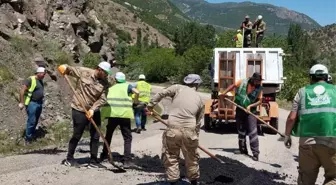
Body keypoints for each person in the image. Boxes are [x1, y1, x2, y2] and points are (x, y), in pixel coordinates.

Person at [147, 74, 205, 185]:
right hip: (190, 131)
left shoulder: (178, 88)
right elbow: (198, 123)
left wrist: (150, 105)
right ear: (197, 84)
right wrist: (194, 138)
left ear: (186, 82)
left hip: (173, 130)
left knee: (171, 156)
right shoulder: (200, 99)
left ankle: (173, 182)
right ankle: (194, 182)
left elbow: (162, 93)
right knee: (192, 159)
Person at [284, 64, 336, 185]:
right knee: (333, 176)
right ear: (327, 76)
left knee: (305, 179)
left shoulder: (302, 92)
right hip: (332, 142)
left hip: (307, 143)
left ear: (311, 78)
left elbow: (292, 118)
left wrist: (287, 135)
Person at [57, 61, 112, 168]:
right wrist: (64, 67)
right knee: (77, 134)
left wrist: (93, 109)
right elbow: (71, 70)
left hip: (93, 110)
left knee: (96, 135)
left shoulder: (105, 83)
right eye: (105, 72)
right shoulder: (85, 72)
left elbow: (102, 99)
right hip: (79, 108)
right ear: (99, 69)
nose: (106, 75)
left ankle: (93, 160)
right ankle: (69, 158)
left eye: (107, 73)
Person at [219, 72, 263, 161]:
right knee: (241, 130)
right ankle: (243, 149)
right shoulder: (243, 82)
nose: (258, 83)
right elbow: (233, 86)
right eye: (257, 81)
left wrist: (250, 106)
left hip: (251, 112)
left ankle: (255, 153)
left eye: (259, 81)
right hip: (240, 109)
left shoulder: (259, 89)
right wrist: (224, 93)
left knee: (252, 131)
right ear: (253, 79)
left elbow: (260, 101)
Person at [100, 72, 139, 168]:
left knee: (108, 135)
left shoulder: (111, 88)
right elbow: (137, 92)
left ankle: (104, 155)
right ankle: (127, 160)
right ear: (124, 79)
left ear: (115, 79)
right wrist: (135, 102)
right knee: (127, 138)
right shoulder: (127, 86)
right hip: (124, 115)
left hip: (112, 115)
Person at [19, 67, 46, 145]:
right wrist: (21, 102)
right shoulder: (30, 80)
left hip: (39, 103)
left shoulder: (40, 81)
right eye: (43, 74)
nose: (44, 76)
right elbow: (22, 91)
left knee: (36, 120)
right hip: (32, 103)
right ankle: (28, 139)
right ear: (39, 73)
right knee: (32, 121)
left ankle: (32, 135)